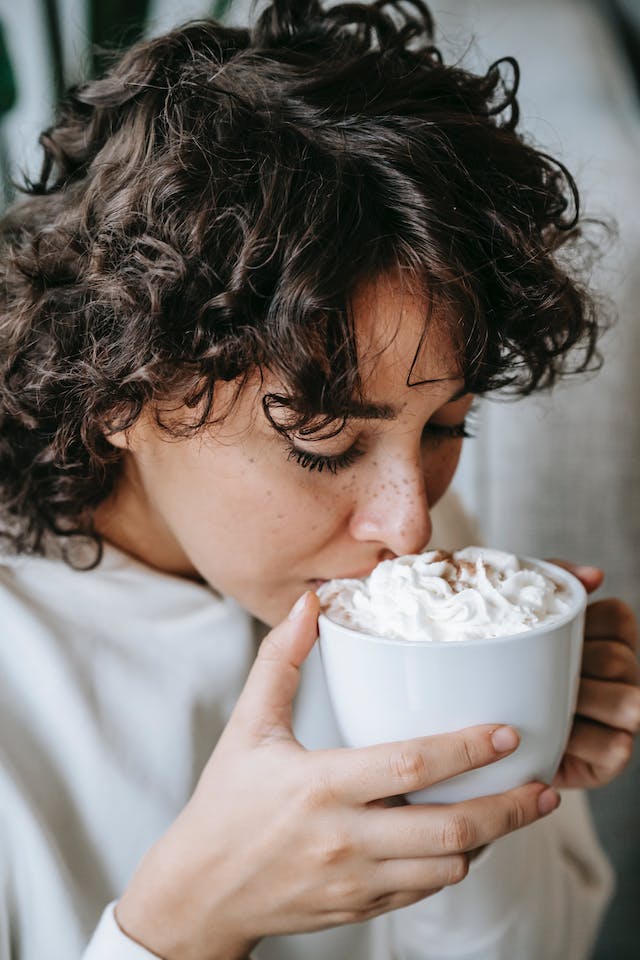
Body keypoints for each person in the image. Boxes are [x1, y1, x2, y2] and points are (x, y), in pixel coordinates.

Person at [0, 1, 638, 957]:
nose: (411, 526)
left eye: (445, 428)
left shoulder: (411, 555)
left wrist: (490, 778)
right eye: (325, 442)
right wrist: (181, 928)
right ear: (117, 393)